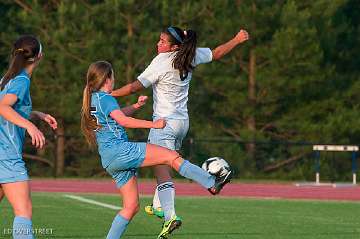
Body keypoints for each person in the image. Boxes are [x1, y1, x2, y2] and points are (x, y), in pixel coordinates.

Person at [111, 26, 249, 236]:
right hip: (182, 123)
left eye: (163, 42)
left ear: (174, 46)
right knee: (166, 163)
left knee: (163, 168)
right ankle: (159, 206)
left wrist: (108, 94)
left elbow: (134, 87)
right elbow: (217, 53)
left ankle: (183, 205)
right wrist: (236, 40)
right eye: (159, 40)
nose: (158, 44)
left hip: (164, 124)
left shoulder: (161, 61)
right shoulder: (190, 55)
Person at [81, 61, 231, 239]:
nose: (114, 80)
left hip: (109, 159)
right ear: (107, 78)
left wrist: (135, 107)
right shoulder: (106, 98)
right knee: (170, 157)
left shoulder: (93, 99)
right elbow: (123, 121)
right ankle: (211, 183)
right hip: (121, 150)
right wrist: (154, 124)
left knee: (131, 207)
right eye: (113, 76)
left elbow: (116, 116)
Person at [0, 35, 58, 239]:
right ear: (39, 56)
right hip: (6, 156)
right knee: (24, 212)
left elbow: (11, 109)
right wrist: (30, 126)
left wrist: (37, 115)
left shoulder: (7, 79)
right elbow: (3, 107)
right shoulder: (22, 80)